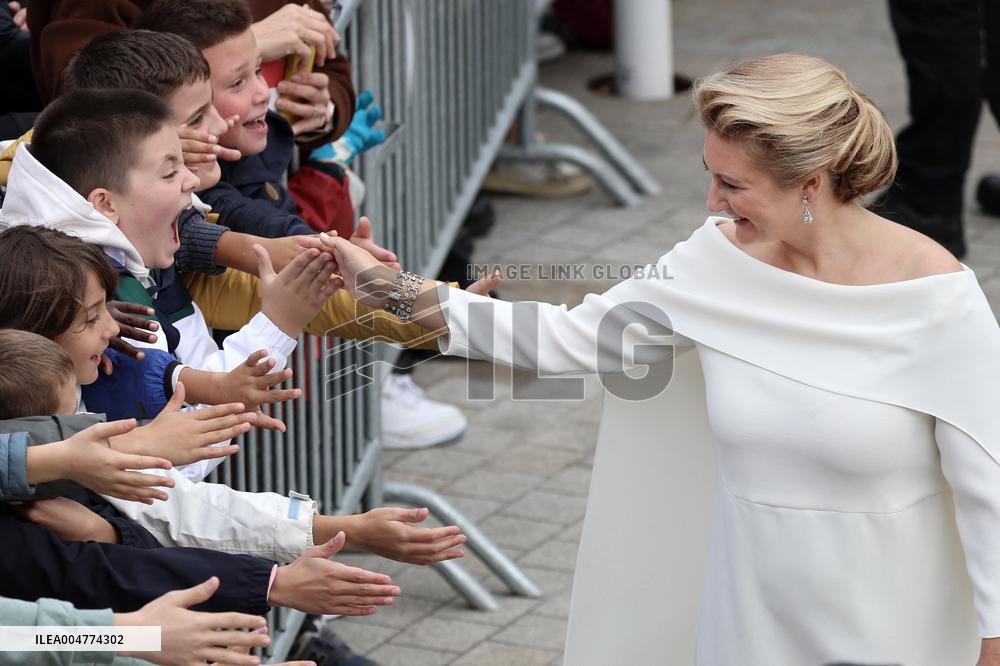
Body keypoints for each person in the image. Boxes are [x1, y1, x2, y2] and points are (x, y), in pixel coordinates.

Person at [323, 53, 1000, 666]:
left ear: (810, 184)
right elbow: (565, 339)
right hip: (748, 622)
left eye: (732, 184)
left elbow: (990, 486)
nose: (712, 203)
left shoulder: (935, 300)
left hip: (893, 626)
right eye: (711, 177)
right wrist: (388, 289)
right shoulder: (715, 262)